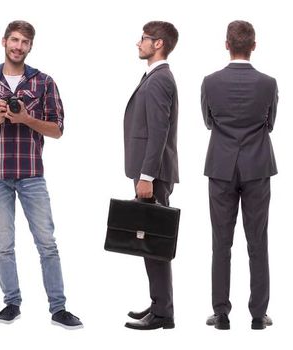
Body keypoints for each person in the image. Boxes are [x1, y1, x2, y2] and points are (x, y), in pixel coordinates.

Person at [0, 20, 82, 330]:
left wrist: (26, 118)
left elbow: (57, 130)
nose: (18, 46)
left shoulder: (44, 83)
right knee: (4, 244)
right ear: (4, 41)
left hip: (31, 174)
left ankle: (58, 308)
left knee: (47, 244)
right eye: (14, 40)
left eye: (25, 42)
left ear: (30, 47)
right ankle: (11, 302)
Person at [201, 20, 276, 331]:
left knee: (221, 242)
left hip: (221, 167)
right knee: (258, 241)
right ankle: (258, 316)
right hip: (257, 166)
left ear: (226, 44)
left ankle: (221, 314)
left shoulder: (210, 82)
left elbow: (207, 121)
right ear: (253, 46)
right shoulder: (268, 83)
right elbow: (270, 123)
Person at [122, 20, 179, 331]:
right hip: (149, 171)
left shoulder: (159, 80)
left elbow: (159, 132)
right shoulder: (154, 77)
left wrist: (146, 176)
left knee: (154, 242)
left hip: (152, 174)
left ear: (158, 43)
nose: (138, 43)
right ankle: (160, 304)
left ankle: (163, 313)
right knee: (149, 240)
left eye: (143, 38)